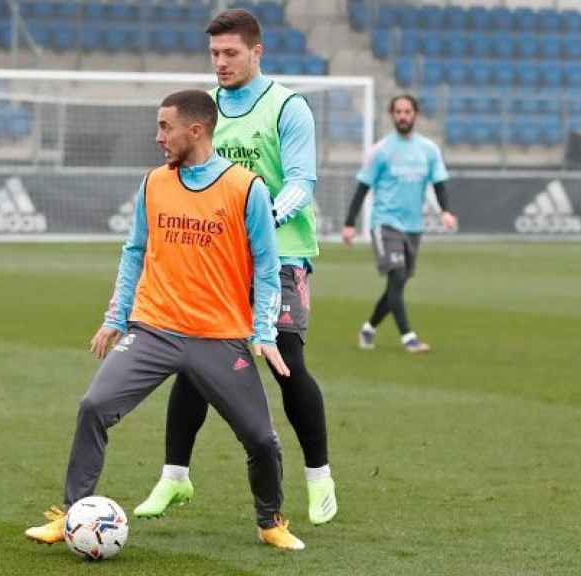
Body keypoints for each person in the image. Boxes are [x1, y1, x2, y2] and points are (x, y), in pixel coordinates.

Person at [24, 89, 305, 550]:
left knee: (261, 439)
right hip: (154, 329)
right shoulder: (154, 183)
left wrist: (263, 331)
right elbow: (134, 252)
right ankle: (74, 513)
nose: (158, 137)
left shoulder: (246, 188)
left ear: (195, 130)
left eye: (164, 127)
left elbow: (268, 266)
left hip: (219, 337)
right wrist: (117, 317)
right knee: (94, 406)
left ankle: (270, 521)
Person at [134, 8, 337, 526]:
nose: (221, 63)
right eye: (214, 54)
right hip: (218, 259)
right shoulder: (205, 110)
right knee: (193, 361)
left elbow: (301, 182)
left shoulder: (287, 107)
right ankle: (174, 478)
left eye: (230, 53)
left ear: (256, 52)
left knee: (285, 359)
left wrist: (263, 217)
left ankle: (319, 477)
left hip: (282, 253)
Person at [341, 94, 457, 353]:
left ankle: (369, 328)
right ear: (392, 115)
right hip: (385, 223)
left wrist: (446, 211)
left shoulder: (429, 149)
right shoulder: (381, 151)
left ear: (415, 114)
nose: (403, 116)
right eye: (398, 112)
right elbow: (362, 188)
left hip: (413, 226)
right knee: (396, 276)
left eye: (407, 111)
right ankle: (408, 337)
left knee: (398, 283)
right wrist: (349, 223)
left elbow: (439, 184)